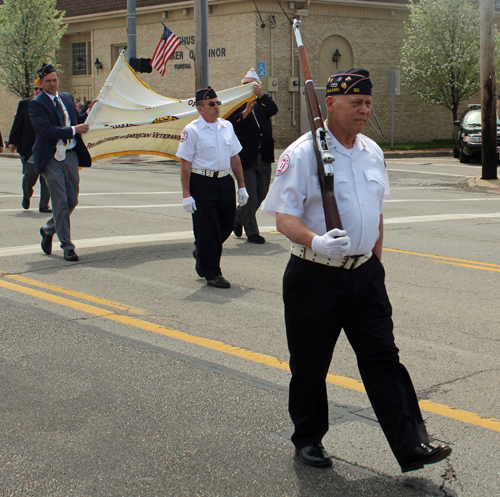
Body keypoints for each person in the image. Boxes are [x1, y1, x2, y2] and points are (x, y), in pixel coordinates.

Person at [262, 68, 452, 473]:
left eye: (368, 103)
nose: (364, 110)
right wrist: (315, 241)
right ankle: (308, 438)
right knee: (311, 363)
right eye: (356, 103)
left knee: (384, 360)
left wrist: (375, 265)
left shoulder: (371, 152)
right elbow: (283, 217)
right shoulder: (302, 153)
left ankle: (412, 444)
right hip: (314, 275)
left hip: (365, 276)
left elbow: (376, 213)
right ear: (330, 104)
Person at [176, 87, 248, 289]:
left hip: (224, 181)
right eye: (211, 104)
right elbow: (185, 164)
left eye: (218, 103)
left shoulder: (226, 126)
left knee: (226, 225)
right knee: (209, 229)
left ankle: (202, 251)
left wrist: (242, 186)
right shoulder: (192, 131)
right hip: (202, 182)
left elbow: (235, 156)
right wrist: (186, 194)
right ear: (200, 108)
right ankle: (213, 272)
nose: (217, 107)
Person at [29, 63, 95, 262]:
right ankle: (67, 246)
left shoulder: (65, 97)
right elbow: (48, 130)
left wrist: (90, 111)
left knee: (72, 200)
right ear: (41, 83)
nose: (53, 84)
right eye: (48, 81)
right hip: (50, 156)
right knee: (59, 201)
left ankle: (48, 229)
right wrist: (75, 129)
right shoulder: (37, 104)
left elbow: (75, 119)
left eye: (55, 80)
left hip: (70, 153)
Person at [226, 68, 278, 244]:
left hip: (263, 153)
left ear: (257, 86)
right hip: (245, 155)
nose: (246, 87)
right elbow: (230, 124)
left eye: (250, 84)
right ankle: (252, 231)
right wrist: (244, 114)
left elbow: (273, 110)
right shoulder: (237, 103)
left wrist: (261, 96)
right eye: (244, 84)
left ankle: (238, 217)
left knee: (263, 191)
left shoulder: (264, 100)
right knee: (250, 195)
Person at [8, 79, 51, 212]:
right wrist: (12, 142)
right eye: (35, 88)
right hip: (29, 148)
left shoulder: (51, 104)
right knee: (30, 176)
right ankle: (27, 195)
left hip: (47, 147)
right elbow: (18, 124)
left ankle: (44, 205)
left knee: (47, 178)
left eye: (40, 88)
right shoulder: (25, 104)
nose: (37, 91)